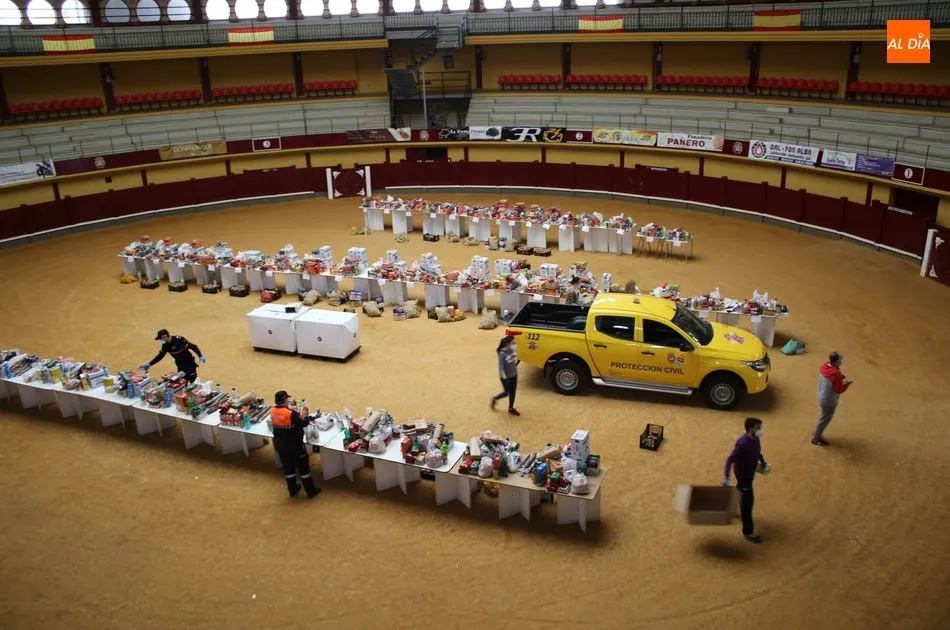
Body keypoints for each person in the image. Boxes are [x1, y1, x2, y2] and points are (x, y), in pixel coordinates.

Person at [722, 417, 769, 544]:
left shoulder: (755, 438)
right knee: (747, 505)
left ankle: (729, 508)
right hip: (744, 476)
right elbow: (730, 459)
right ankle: (747, 532)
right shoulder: (742, 443)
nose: (760, 430)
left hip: (749, 473)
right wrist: (726, 477)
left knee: (740, 492)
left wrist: (763, 461)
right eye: (758, 428)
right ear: (750, 428)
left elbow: (757, 451)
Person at [270, 390, 321, 499]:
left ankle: (292, 489)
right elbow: (303, 423)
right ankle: (311, 491)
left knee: (288, 468)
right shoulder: (290, 414)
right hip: (294, 445)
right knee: (303, 468)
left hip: (280, 445)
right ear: (285, 400)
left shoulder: (273, 410)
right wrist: (305, 416)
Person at [813, 351, 853, 446]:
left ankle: (816, 433)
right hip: (829, 400)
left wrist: (840, 379)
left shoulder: (824, 366)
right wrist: (846, 384)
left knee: (823, 417)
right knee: (825, 419)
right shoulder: (836, 374)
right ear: (836, 361)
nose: (842, 360)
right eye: (840, 359)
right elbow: (839, 389)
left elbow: (832, 377)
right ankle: (816, 438)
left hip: (822, 395)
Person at [490, 335, 520, 416]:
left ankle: (511, 408)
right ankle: (495, 398)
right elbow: (501, 368)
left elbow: (513, 360)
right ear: (507, 344)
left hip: (514, 375)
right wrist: (505, 379)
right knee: (507, 393)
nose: (514, 344)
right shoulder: (502, 354)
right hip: (506, 378)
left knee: (513, 393)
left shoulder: (512, 350)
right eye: (513, 343)